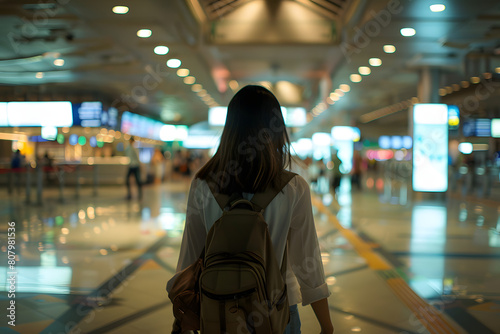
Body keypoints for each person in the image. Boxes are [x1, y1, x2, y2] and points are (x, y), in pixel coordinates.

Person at [168, 85, 334, 334]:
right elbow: (307, 262)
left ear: (229, 129)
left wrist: (185, 320)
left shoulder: (203, 185)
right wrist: (326, 326)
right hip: (278, 313)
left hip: (218, 313)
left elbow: (189, 259)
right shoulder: (293, 187)